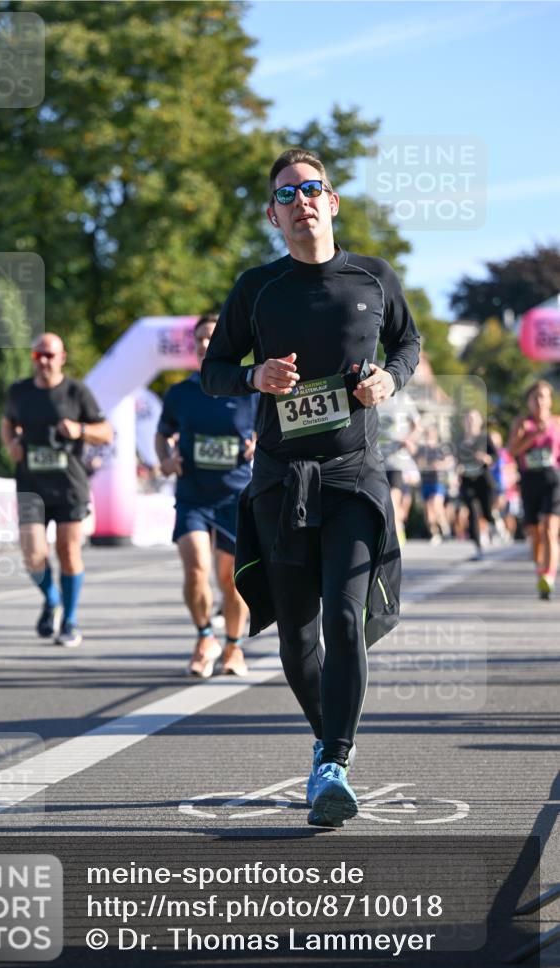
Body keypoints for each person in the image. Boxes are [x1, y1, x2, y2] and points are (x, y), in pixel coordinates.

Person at [201, 149, 419, 827]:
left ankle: (333, 760)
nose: (301, 200)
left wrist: (387, 379)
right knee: (296, 635)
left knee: (341, 614)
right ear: (274, 215)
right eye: (286, 193)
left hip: (353, 475)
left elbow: (407, 346)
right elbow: (212, 370)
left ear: (331, 202)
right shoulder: (257, 289)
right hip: (278, 480)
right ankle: (326, 742)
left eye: (312, 188)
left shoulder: (373, 277)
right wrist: (253, 377)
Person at [156, 314, 256, 678]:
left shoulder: (249, 392)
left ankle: (233, 646)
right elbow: (163, 433)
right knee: (196, 565)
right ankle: (203, 637)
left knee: (230, 579)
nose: (204, 344)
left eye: (212, 337)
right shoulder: (180, 393)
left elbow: (270, 433)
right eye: (199, 338)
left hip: (235, 496)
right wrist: (166, 459)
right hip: (193, 495)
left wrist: (257, 443)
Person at [0, 332, 113, 647]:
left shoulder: (77, 393)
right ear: (33, 358)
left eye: (50, 355)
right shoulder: (19, 392)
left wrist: (81, 430)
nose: (44, 361)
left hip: (69, 485)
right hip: (31, 484)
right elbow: (7, 423)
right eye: (39, 355)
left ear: (62, 357)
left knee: (68, 550)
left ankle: (71, 620)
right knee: (33, 554)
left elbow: (106, 432)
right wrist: (11, 443)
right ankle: (52, 600)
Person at [508, 380, 560, 599]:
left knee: (550, 529)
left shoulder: (557, 423)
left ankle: (549, 576)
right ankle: (541, 570)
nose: (539, 401)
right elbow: (512, 451)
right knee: (535, 533)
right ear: (529, 401)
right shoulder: (522, 423)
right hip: (530, 481)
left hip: (553, 479)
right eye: (535, 397)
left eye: (543, 397)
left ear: (550, 400)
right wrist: (533, 435)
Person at [377, 389, 421, 545]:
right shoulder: (374, 396)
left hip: (397, 461)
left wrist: (409, 440)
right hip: (377, 461)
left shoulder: (403, 398)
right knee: (383, 503)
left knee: (393, 502)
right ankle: (396, 529)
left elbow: (417, 425)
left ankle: (395, 537)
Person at [456, 409, 497, 561]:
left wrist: (486, 458)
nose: (470, 422)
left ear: (480, 422)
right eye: (467, 419)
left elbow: (495, 456)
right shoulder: (460, 440)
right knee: (472, 512)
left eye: (473, 419)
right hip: (467, 481)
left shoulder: (484, 437)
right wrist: (457, 467)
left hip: (483, 481)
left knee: (486, 512)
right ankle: (478, 548)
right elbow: (456, 458)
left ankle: (493, 524)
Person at [416, 424, 453, 544]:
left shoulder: (442, 448)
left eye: (431, 433)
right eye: (427, 434)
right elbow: (418, 462)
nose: (428, 436)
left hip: (438, 481)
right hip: (425, 481)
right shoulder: (422, 449)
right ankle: (434, 533)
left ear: (435, 435)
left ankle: (444, 526)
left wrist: (440, 465)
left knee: (435, 505)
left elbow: (450, 461)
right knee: (428, 509)